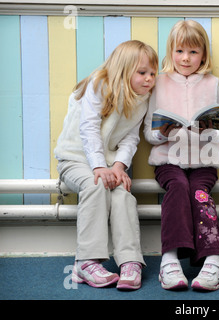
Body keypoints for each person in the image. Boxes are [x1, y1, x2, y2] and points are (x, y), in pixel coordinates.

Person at [54, 40, 158, 290]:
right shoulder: (99, 84)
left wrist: (120, 167)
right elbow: (88, 128)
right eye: (142, 73)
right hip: (75, 159)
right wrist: (99, 167)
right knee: (95, 185)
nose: (149, 79)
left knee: (122, 194)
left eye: (153, 74)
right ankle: (86, 262)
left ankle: (130, 262)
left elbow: (131, 137)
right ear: (123, 70)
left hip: (110, 165)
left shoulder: (142, 98)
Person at [143, 20, 219, 291]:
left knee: (198, 193)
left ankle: (213, 259)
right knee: (179, 187)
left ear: (203, 54)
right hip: (168, 159)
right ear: (171, 51)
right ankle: (170, 259)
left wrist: (208, 132)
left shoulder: (214, 85)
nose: (186, 58)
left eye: (193, 52)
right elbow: (148, 132)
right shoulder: (158, 84)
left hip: (204, 162)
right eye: (180, 51)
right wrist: (163, 133)